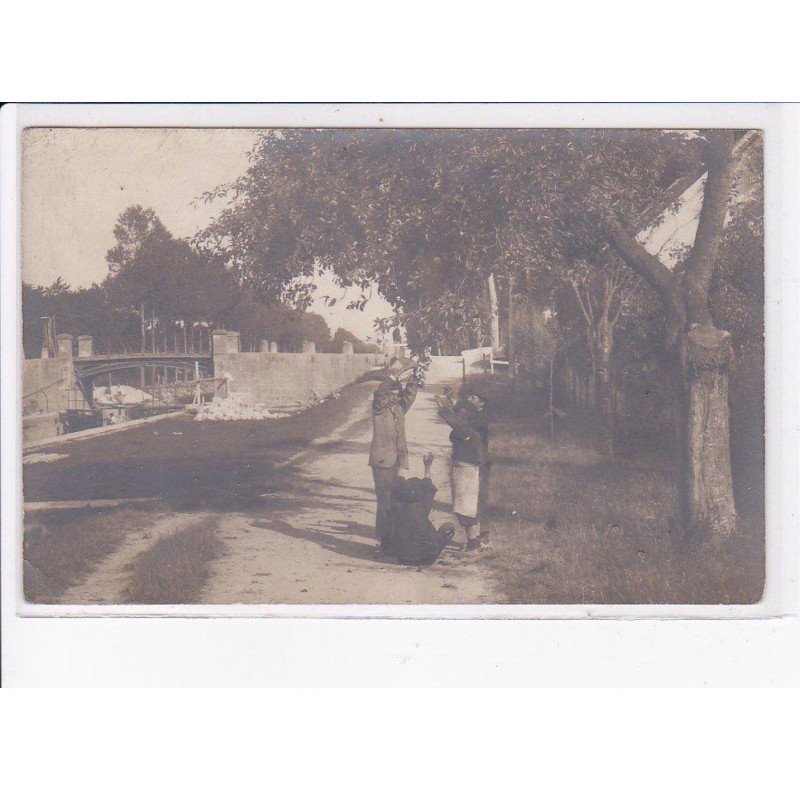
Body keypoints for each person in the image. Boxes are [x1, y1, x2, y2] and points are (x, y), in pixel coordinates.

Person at [368, 355, 419, 557]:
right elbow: (381, 390)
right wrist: (398, 371)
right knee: (385, 501)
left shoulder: (398, 408)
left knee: (393, 500)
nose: (397, 395)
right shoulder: (379, 407)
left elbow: (409, 396)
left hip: (395, 459)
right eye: (394, 392)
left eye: (397, 393)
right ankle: (380, 542)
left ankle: (390, 540)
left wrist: (415, 376)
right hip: (381, 461)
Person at [435, 387, 491, 552]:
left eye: (473, 396)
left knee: (465, 507)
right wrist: (453, 400)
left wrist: (443, 408)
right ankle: (480, 541)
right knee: (472, 505)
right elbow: (463, 415)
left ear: (481, 402)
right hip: (471, 464)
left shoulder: (476, 418)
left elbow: (460, 427)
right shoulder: (477, 416)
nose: (470, 398)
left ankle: (473, 545)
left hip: (468, 464)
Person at [390, 452, 456, 566]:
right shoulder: (424, 501)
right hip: (426, 559)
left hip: (402, 558)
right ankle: (435, 551)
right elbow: (428, 484)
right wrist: (427, 466)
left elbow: (397, 482)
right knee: (448, 527)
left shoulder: (396, 502)